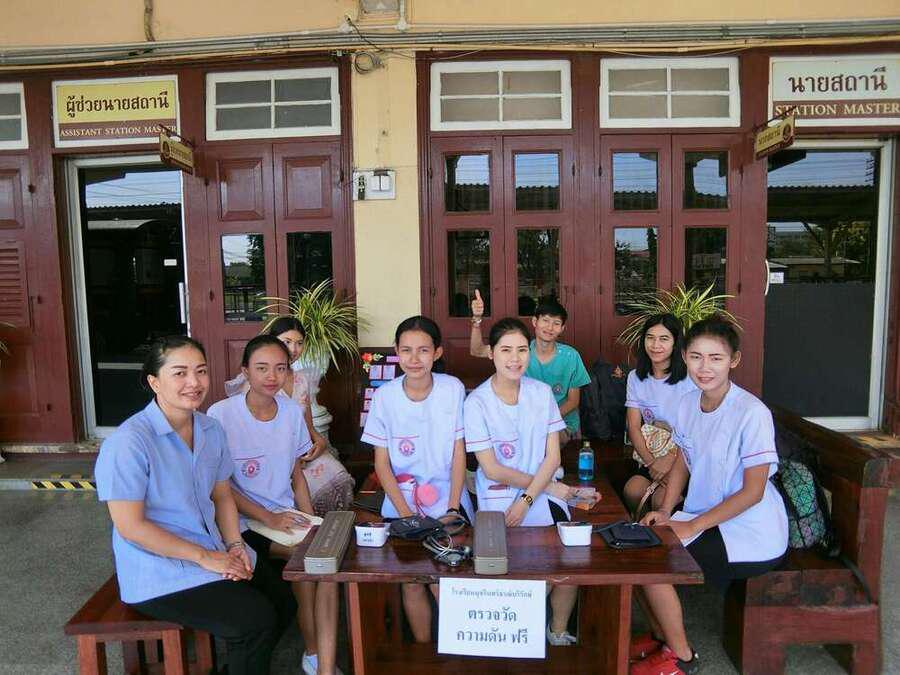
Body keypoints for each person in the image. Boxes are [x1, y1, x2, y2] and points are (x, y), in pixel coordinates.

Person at [95, 336, 295, 675]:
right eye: (180, 373)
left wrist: (235, 546)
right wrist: (207, 558)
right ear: (154, 382)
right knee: (255, 621)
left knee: (284, 602)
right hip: (160, 569)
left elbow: (222, 495)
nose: (194, 382)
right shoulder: (128, 443)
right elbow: (131, 527)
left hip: (212, 550)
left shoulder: (210, 429)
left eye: (200, 371)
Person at [630, 316, 788, 675]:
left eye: (716, 358)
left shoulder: (752, 413)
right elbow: (683, 459)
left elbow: (753, 492)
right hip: (706, 518)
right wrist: (666, 511)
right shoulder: (688, 403)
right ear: (684, 357)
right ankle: (661, 638)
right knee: (633, 550)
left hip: (750, 531)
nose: (705, 367)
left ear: (734, 360)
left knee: (652, 566)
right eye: (696, 357)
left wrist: (691, 526)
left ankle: (682, 659)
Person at [209, 335, 341, 675]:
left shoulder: (292, 412)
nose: (272, 376)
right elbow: (221, 489)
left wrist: (309, 517)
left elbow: (296, 474)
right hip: (242, 523)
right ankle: (313, 654)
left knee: (327, 563)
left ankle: (322, 663)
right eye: (262, 368)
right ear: (245, 371)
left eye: (280, 368)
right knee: (311, 564)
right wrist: (269, 517)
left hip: (285, 518)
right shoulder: (221, 415)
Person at [464, 318, 580, 647]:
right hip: (499, 500)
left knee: (570, 561)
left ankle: (556, 631)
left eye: (520, 350)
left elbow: (552, 458)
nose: (514, 359)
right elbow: (492, 468)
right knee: (503, 569)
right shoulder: (476, 403)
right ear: (491, 353)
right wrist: (546, 487)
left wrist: (529, 497)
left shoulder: (541, 393)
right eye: (505, 350)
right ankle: (514, 631)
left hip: (538, 496)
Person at [361, 316, 473, 643]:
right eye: (406, 350)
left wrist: (452, 508)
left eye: (423, 350)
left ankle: (456, 650)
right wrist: (408, 516)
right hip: (401, 503)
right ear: (396, 351)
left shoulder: (452, 389)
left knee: (446, 578)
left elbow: (458, 453)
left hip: (448, 501)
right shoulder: (385, 396)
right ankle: (424, 651)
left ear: (437, 352)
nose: (414, 358)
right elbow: (382, 464)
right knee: (412, 581)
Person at [226, 317, 354, 516]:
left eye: (299, 343)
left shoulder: (301, 379)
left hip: (301, 450)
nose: (293, 349)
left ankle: (327, 527)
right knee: (306, 485)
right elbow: (253, 437)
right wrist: (290, 456)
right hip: (272, 457)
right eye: (287, 342)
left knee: (339, 475)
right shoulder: (257, 384)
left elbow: (308, 426)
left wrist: (319, 442)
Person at [470, 292, 590, 442]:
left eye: (556, 323)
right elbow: (476, 350)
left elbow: (573, 401)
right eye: (545, 320)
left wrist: (542, 420)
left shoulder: (571, 356)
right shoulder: (520, 349)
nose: (550, 327)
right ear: (534, 321)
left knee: (538, 441)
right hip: (520, 421)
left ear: (562, 328)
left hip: (560, 423)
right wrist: (476, 319)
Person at [622, 314, 696, 513]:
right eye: (650, 338)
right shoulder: (635, 377)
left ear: (675, 343)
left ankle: (665, 530)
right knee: (633, 490)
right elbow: (633, 427)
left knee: (661, 500)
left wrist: (670, 459)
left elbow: (697, 428)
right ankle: (643, 529)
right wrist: (652, 463)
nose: (655, 345)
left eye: (664, 339)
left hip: (683, 457)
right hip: (651, 455)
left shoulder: (690, 378)